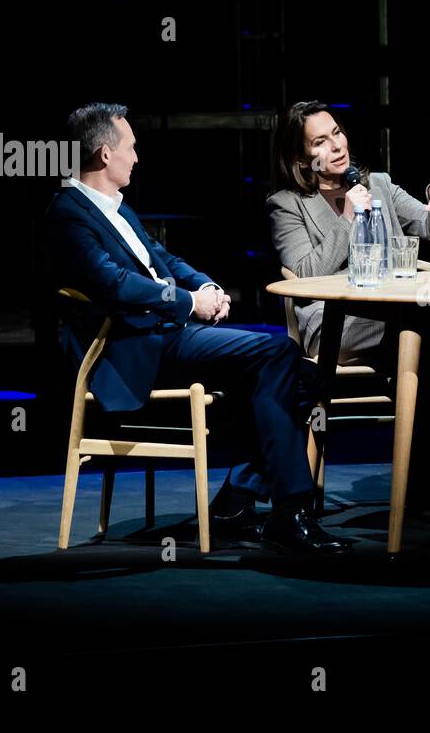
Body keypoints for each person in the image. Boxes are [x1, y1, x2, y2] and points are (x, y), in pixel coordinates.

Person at [44, 102, 348, 554]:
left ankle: (240, 500)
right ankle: (290, 510)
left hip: (164, 336)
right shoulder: (68, 214)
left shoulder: (114, 209)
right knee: (280, 355)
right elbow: (116, 284)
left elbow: (160, 260)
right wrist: (190, 303)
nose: (137, 157)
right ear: (105, 155)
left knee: (308, 376)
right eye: (131, 147)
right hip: (132, 348)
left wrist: (203, 284)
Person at [265, 100, 430, 512]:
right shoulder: (287, 204)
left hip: (394, 317)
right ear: (301, 158)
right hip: (332, 325)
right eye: (320, 141)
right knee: (427, 319)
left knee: (425, 347)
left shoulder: (378, 183)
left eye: (337, 133)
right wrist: (348, 216)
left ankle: (424, 485)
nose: (336, 145)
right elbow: (306, 274)